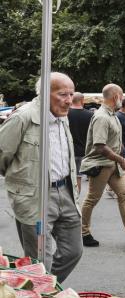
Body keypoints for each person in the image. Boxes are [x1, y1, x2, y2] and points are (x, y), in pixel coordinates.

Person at [0, 72, 82, 283]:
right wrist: (21, 183)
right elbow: (2, 154)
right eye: (63, 94)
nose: (69, 100)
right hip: (35, 195)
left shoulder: (62, 117)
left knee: (74, 251)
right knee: (39, 260)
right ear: (45, 93)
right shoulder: (23, 117)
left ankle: (43, 287)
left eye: (71, 94)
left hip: (66, 192)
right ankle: (40, 294)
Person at [79, 84, 125, 247]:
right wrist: (122, 160)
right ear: (115, 97)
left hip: (113, 164)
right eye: (121, 96)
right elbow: (100, 146)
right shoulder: (102, 117)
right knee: (92, 198)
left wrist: (123, 157)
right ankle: (83, 233)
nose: (123, 99)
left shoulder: (111, 115)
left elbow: (114, 142)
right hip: (102, 164)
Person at [67, 92, 93, 195]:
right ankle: (76, 201)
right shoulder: (90, 115)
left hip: (69, 150)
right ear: (82, 101)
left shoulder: (66, 114)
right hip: (85, 151)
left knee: (68, 177)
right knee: (78, 177)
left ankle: (70, 200)